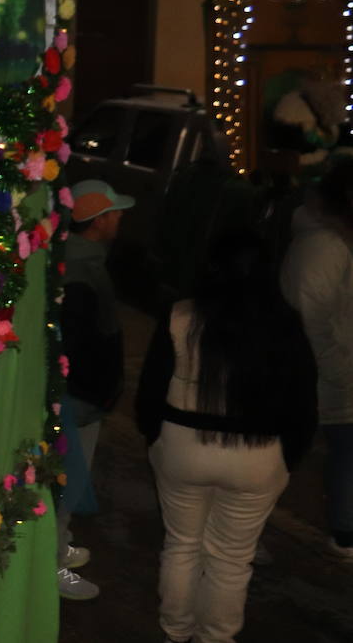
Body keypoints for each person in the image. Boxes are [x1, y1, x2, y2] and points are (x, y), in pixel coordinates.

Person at [138, 228, 317, 643]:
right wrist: (289, 457)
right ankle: (216, 637)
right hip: (258, 455)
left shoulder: (180, 314)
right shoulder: (285, 323)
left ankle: (175, 631)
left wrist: (155, 437)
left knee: (182, 544)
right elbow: (303, 403)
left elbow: (150, 389)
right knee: (232, 560)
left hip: (183, 444)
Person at [57, 178, 134, 600]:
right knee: (66, 479)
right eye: (115, 212)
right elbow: (81, 340)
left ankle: (58, 543)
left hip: (82, 392)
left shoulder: (85, 259)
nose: (120, 218)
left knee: (66, 477)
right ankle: (50, 564)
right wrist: (95, 390)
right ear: (97, 220)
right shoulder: (82, 269)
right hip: (79, 394)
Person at [281, 159, 353, 561]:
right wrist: (340, 367)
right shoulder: (323, 246)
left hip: (331, 372)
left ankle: (345, 531)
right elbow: (311, 315)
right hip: (318, 375)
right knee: (287, 456)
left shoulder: (336, 241)